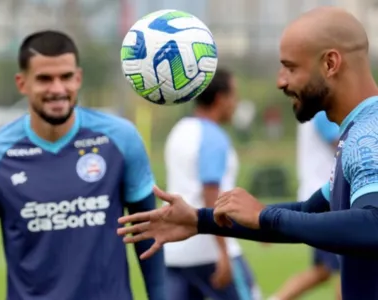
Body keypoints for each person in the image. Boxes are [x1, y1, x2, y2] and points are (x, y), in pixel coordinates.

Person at [117, 6, 378, 300]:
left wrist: (266, 215)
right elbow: (309, 212)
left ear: (330, 63)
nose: (281, 81)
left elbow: (373, 225)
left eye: (291, 68)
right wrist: (199, 220)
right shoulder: (359, 130)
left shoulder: (370, 134)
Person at [0, 30, 165, 300]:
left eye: (66, 77)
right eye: (44, 79)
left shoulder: (121, 139)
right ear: (22, 83)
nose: (57, 89)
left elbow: (149, 234)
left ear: (78, 78)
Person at [162, 68, 261, 300]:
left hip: (175, 252)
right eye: (234, 96)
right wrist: (224, 253)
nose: (235, 103)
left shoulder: (178, 130)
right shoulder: (213, 137)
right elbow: (211, 196)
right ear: (220, 99)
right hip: (208, 252)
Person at [269, 112, 341, 300]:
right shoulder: (324, 111)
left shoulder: (317, 108)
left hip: (321, 198)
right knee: (348, 267)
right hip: (327, 201)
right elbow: (344, 146)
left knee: (323, 270)